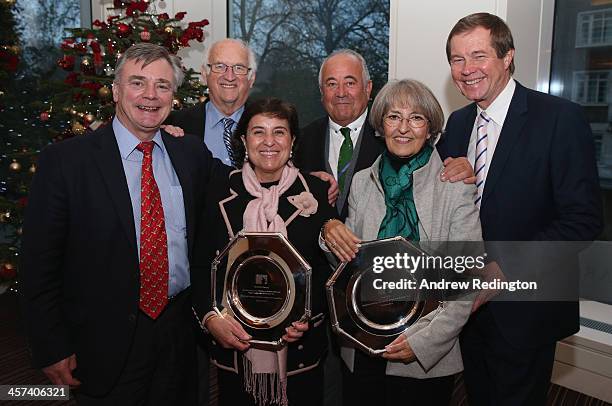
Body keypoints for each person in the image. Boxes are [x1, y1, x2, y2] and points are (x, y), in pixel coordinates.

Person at [20, 43, 218, 405]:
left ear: (174, 96)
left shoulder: (190, 153)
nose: (150, 95)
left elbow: (238, 187)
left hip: (180, 333)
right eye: (137, 83)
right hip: (102, 341)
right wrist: (50, 346)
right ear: (115, 91)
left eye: (162, 85)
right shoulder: (66, 163)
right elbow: (38, 266)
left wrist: (311, 182)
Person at [438, 12, 603, 405]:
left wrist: (502, 268)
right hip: (467, 308)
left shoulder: (560, 118)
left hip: (525, 309)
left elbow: (582, 220)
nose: (467, 70)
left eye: (478, 56)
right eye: (457, 60)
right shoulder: (457, 125)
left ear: (507, 56)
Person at [323, 79, 482, 406]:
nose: (404, 128)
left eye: (416, 118)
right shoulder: (363, 182)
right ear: (381, 125)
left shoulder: (454, 187)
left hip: (424, 354)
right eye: (394, 117)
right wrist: (329, 237)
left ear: (430, 128)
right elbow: (347, 265)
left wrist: (423, 343)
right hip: (363, 341)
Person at [190, 97, 337, 406]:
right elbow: (202, 266)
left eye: (279, 132)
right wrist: (209, 318)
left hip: (299, 354)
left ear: (292, 140)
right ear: (244, 140)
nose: (269, 142)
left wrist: (307, 315)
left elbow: (327, 271)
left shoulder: (317, 191)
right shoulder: (217, 190)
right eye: (258, 132)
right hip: (236, 349)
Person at [166, 38, 256, 167]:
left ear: (251, 78)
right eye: (219, 66)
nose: (229, 77)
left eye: (239, 68)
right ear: (204, 74)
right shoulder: (173, 125)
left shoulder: (272, 127)